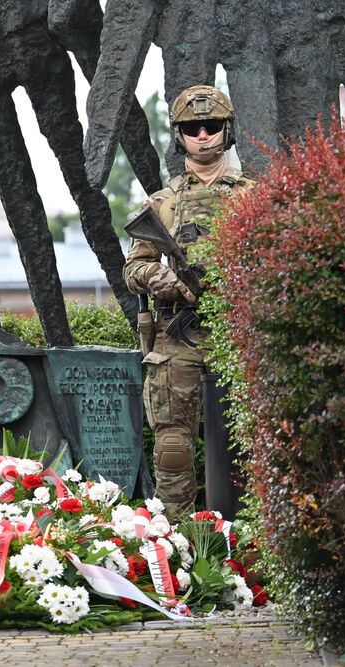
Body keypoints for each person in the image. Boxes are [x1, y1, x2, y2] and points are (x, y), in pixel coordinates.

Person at [123, 85, 254, 521]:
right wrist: (156, 276)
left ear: (226, 131)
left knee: (244, 448)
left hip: (236, 333)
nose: (203, 135)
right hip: (177, 334)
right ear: (179, 136)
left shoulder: (252, 196)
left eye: (211, 126)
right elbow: (134, 267)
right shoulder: (163, 203)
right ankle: (177, 549)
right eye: (192, 128)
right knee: (172, 449)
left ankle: (247, 551)